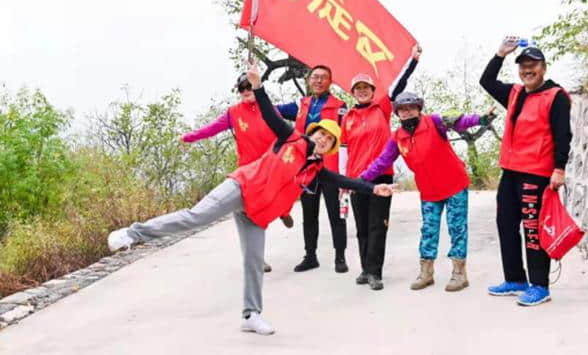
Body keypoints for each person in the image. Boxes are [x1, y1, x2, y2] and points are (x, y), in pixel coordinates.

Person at [107, 62, 395, 336]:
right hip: (242, 187)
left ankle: (250, 315)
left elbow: (343, 180)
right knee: (195, 217)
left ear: (332, 146)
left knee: (254, 260)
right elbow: (270, 114)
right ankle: (133, 233)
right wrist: (257, 88)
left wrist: (374, 189)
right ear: (313, 132)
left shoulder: (315, 169)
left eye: (329, 140)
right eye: (321, 134)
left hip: (258, 211)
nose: (323, 140)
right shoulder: (291, 138)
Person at [361, 92, 495, 292]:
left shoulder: (435, 122)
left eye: (411, 108)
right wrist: (360, 180)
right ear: (397, 113)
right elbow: (382, 162)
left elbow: (460, 121)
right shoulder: (398, 137)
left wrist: (481, 119)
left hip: (454, 185)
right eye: (402, 110)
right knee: (428, 230)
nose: (406, 112)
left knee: (457, 228)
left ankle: (459, 273)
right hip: (429, 191)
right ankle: (426, 272)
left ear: (418, 108)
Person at [480, 36, 572, 306]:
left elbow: (563, 135)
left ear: (543, 67)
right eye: (523, 66)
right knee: (506, 225)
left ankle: (540, 285)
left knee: (532, 230)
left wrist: (559, 169)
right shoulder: (515, 93)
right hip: (510, 172)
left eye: (533, 65)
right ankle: (515, 279)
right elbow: (486, 82)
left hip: (537, 173)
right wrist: (500, 54)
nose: (527, 70)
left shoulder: (556, 96)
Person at [181, 73, 293, 273]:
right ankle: (257, 259)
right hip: (247, 173)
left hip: (271, 167)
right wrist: (189, 138)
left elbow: (287, 134)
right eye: (242, 88)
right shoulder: (233, 113)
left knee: (280, 196)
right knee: (251, 216)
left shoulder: (269, 110)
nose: (246, 91)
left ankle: (283, 211)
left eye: (250, 86)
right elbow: (211, 129)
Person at [340, 44, 422, 290]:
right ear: (354, 92)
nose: (362, 91)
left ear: (372, 91)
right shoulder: (348, 118)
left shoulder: (383, 107)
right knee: (362, 227)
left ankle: (375, 272)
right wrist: (344, 183)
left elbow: (399, 82)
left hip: (381, 177)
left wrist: (413, 60)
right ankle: (365, 268)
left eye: (366, 88)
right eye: (358, 89)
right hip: (356, 180)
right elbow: (343, 150)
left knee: (378, 225)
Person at [278, 66, 350, 273]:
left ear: (330, 81)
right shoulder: (301, 105)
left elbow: (345, 138)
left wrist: (346, 170)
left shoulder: (340, 106)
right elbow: (275, 111)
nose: (318, 81)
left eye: (323, 78)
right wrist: (254, 95)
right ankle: (310, 256)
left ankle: (340, 257)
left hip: (330, 168)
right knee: (309, 214)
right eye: (315, 77)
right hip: (306, 167)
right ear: (309, 80)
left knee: (336, 215)